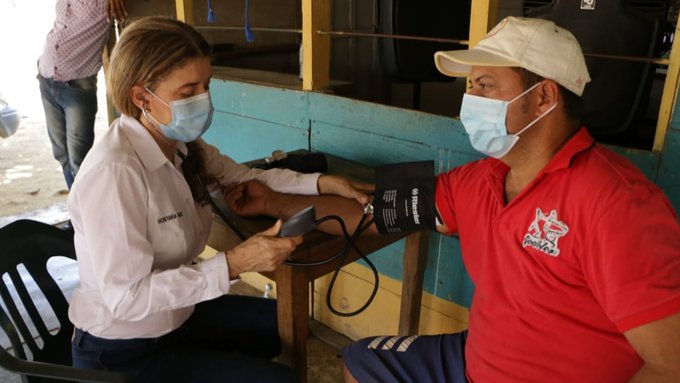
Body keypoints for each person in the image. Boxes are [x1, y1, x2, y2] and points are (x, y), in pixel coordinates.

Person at [225, 16, 680, 382]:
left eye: (484, 86)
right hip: (477, 358)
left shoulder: (619, 204)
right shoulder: (480, 180)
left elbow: (671, 363)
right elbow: (372, 215)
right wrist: (273, 203)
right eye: (469, 87)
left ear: (543, 97)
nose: (469, 100)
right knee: (362, 362)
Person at [67, 16, 371, 383]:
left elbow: (247, 175)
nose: (203, 100)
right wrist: (233, 264)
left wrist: (324, 183)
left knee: (288, 325)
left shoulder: (178, 145)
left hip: (179, 316)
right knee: (281, 380)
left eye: (206, 85)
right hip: (123, 351)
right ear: (141, 97)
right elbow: (126, 298)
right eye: (188, 90)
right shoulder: (114, 174)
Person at [37, 0, 128, 190]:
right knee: (61, 154)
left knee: (80, 160)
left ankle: (86, 215)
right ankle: (76, 212)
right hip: (47, 77)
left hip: (77, 87)